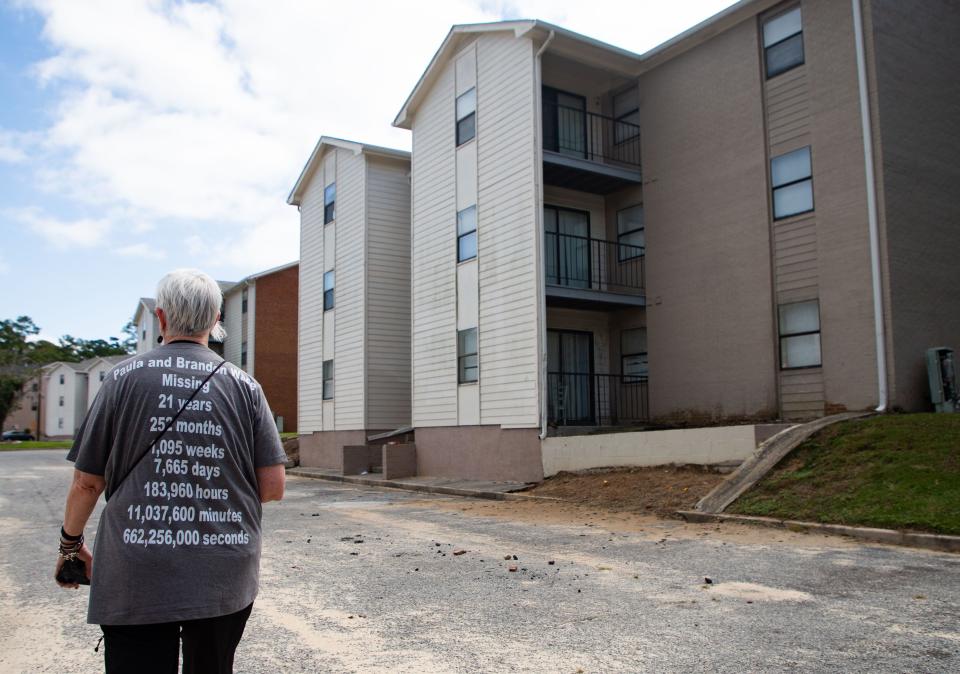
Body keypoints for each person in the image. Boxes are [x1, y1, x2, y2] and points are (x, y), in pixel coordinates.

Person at [55, 268, 287, 674]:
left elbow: (87, 481)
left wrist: (70, 548)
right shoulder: (245, 386)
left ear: (160, 319)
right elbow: (272, 487)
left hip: (134, 568)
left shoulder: (120, 379)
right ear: (217, 320)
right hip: (224, 569)